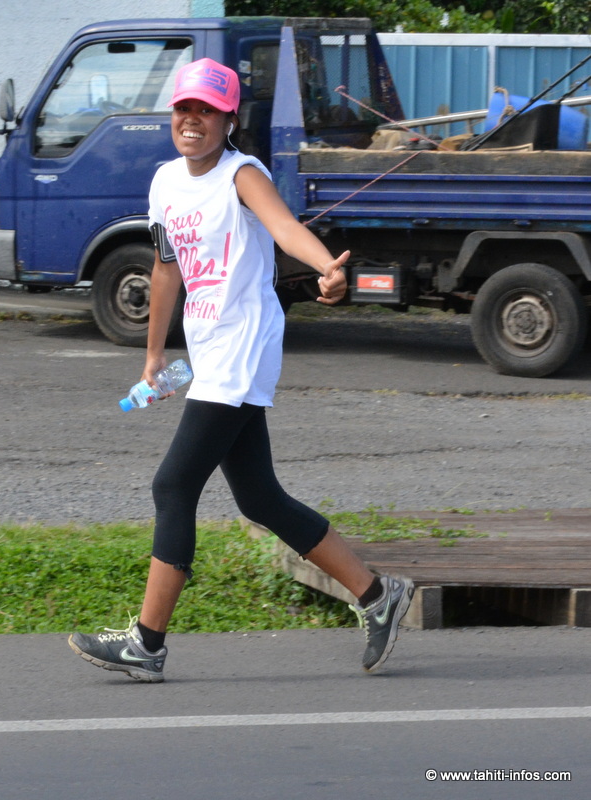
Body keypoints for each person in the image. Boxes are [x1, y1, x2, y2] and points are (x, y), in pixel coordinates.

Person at [68, 58, 413, 682]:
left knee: (173, 487)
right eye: (184, 108)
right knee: (258, 496)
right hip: (207, 349)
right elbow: (167, 268)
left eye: (206, 110)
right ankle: (378, 595)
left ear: (229, 121)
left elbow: (285, 229)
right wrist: (153, 356)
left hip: (243, 345)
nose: (192, 120)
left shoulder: (241, 173)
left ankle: (147, 644)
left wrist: (325, 269)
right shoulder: (166, 182)